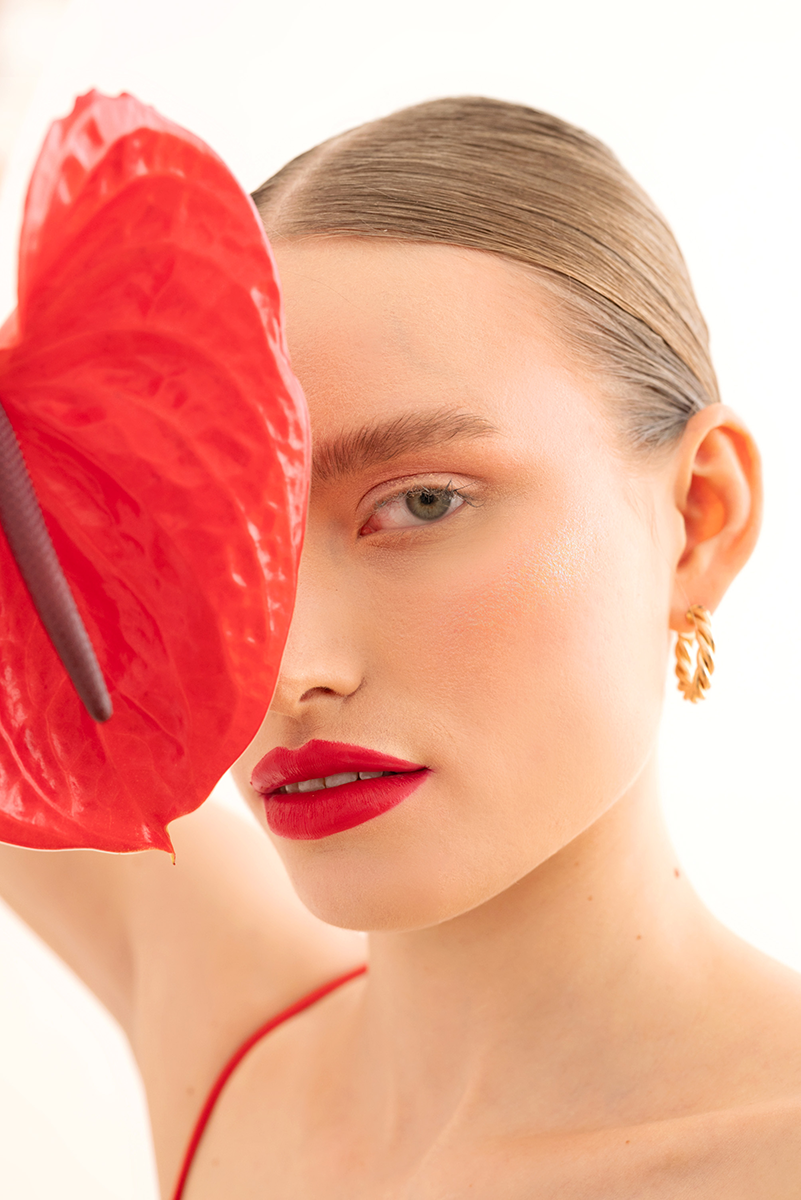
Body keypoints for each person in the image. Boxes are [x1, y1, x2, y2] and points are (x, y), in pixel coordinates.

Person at [1, 95, 799, 1198]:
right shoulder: (235, 1038)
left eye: (422, 501)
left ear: (700, 517)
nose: (285, 670)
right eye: (230, 543)